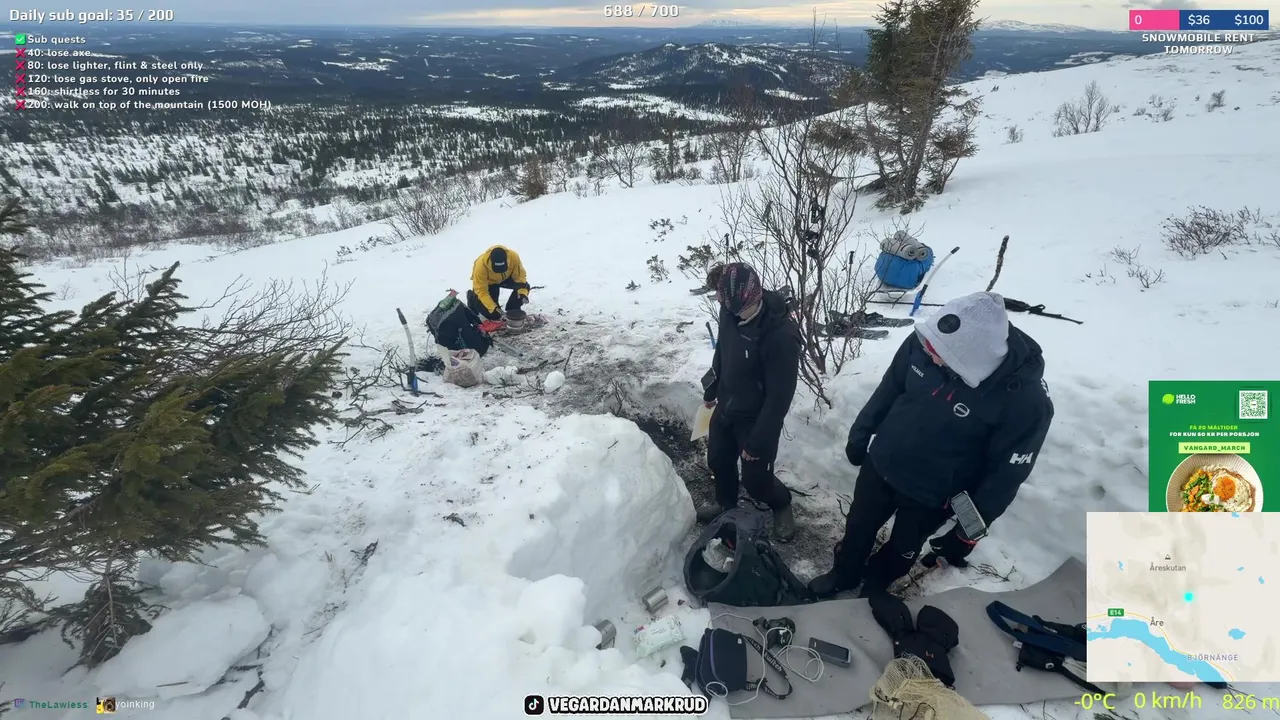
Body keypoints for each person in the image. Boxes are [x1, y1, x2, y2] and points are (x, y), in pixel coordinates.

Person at [809, 291, 1054, 597]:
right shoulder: (926, 342)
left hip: (935, 493)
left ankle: (875, 585)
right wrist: (862, 431)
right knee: (858, 526)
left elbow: (1005, 476)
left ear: (972, 359)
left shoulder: (1025, 403)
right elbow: (890, 387)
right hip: (884, 462)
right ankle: (844, 573)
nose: (928, 352)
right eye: (928, 344)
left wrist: (968, 531)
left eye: (939, 352)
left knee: (903, 550)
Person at [696, 263, 802, 542]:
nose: (722, 305)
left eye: (726, 301)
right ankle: (726, 505)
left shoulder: (781, 336)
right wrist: (712, 386)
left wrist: (758, 441)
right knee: (718, 460)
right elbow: (723, 349)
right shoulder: (730, 310)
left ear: (749, 298)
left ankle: (781, 504)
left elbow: (780, 397)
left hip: (757, 417)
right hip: (728, 404)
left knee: (756, 482)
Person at [468, 245, 530, 322]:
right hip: (490, 283)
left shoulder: (513, 257)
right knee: (494, 315)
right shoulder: (480, 265)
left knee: (525, 286)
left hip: (506, 278)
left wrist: (522, 293)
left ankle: (512, 309)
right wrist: (493, 308)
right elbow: (482, 291)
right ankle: (472, 298)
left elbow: (520, 277)